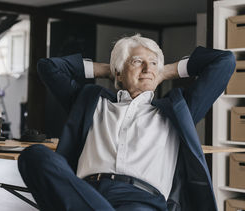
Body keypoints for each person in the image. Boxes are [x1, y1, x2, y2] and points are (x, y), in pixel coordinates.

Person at [18, 34, 236, 211]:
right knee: (34, 156)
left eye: (152, 63)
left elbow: (224, 61)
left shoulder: (176, 110)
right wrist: (109, 69)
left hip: (141, 202)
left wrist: (165, 71)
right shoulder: (91, 102)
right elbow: (48, 67)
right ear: (119, 72)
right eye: (137, 61)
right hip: (85, 193)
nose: (148, 68)